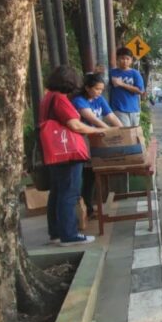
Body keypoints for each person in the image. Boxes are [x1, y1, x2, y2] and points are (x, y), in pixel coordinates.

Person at [41, 66, 106, 246]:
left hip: (54, 151)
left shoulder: (47, 98)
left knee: (57, 192)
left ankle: (55, 232)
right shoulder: (60, 99)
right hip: (67, 152)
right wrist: (95, 130)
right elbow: (75, 125)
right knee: (69, 193)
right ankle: (69, 234)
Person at [72, 73, 123, 219]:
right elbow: (93, 119)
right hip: (82, 142)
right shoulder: (79, 101)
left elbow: (111, 116)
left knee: (92, 175)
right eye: (96, 89)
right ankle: (84, 207)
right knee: (84, 175)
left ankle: (89, 206)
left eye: (101, 89)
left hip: (96, 140)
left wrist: (123, 130)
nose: (99, 92)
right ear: (87, 88)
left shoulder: (99, 99)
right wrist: (109, 130)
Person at [108, 47, 145, 127]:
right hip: (119, 109)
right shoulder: (111, 73)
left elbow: (140, 91)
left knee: (135, 135)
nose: (125, 61)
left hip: (134, 110)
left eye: (127, 59)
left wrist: (122, 84)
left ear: (131, 60)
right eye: (122, 58)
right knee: (126, 135)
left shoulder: (135, 73)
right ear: (117, 59)